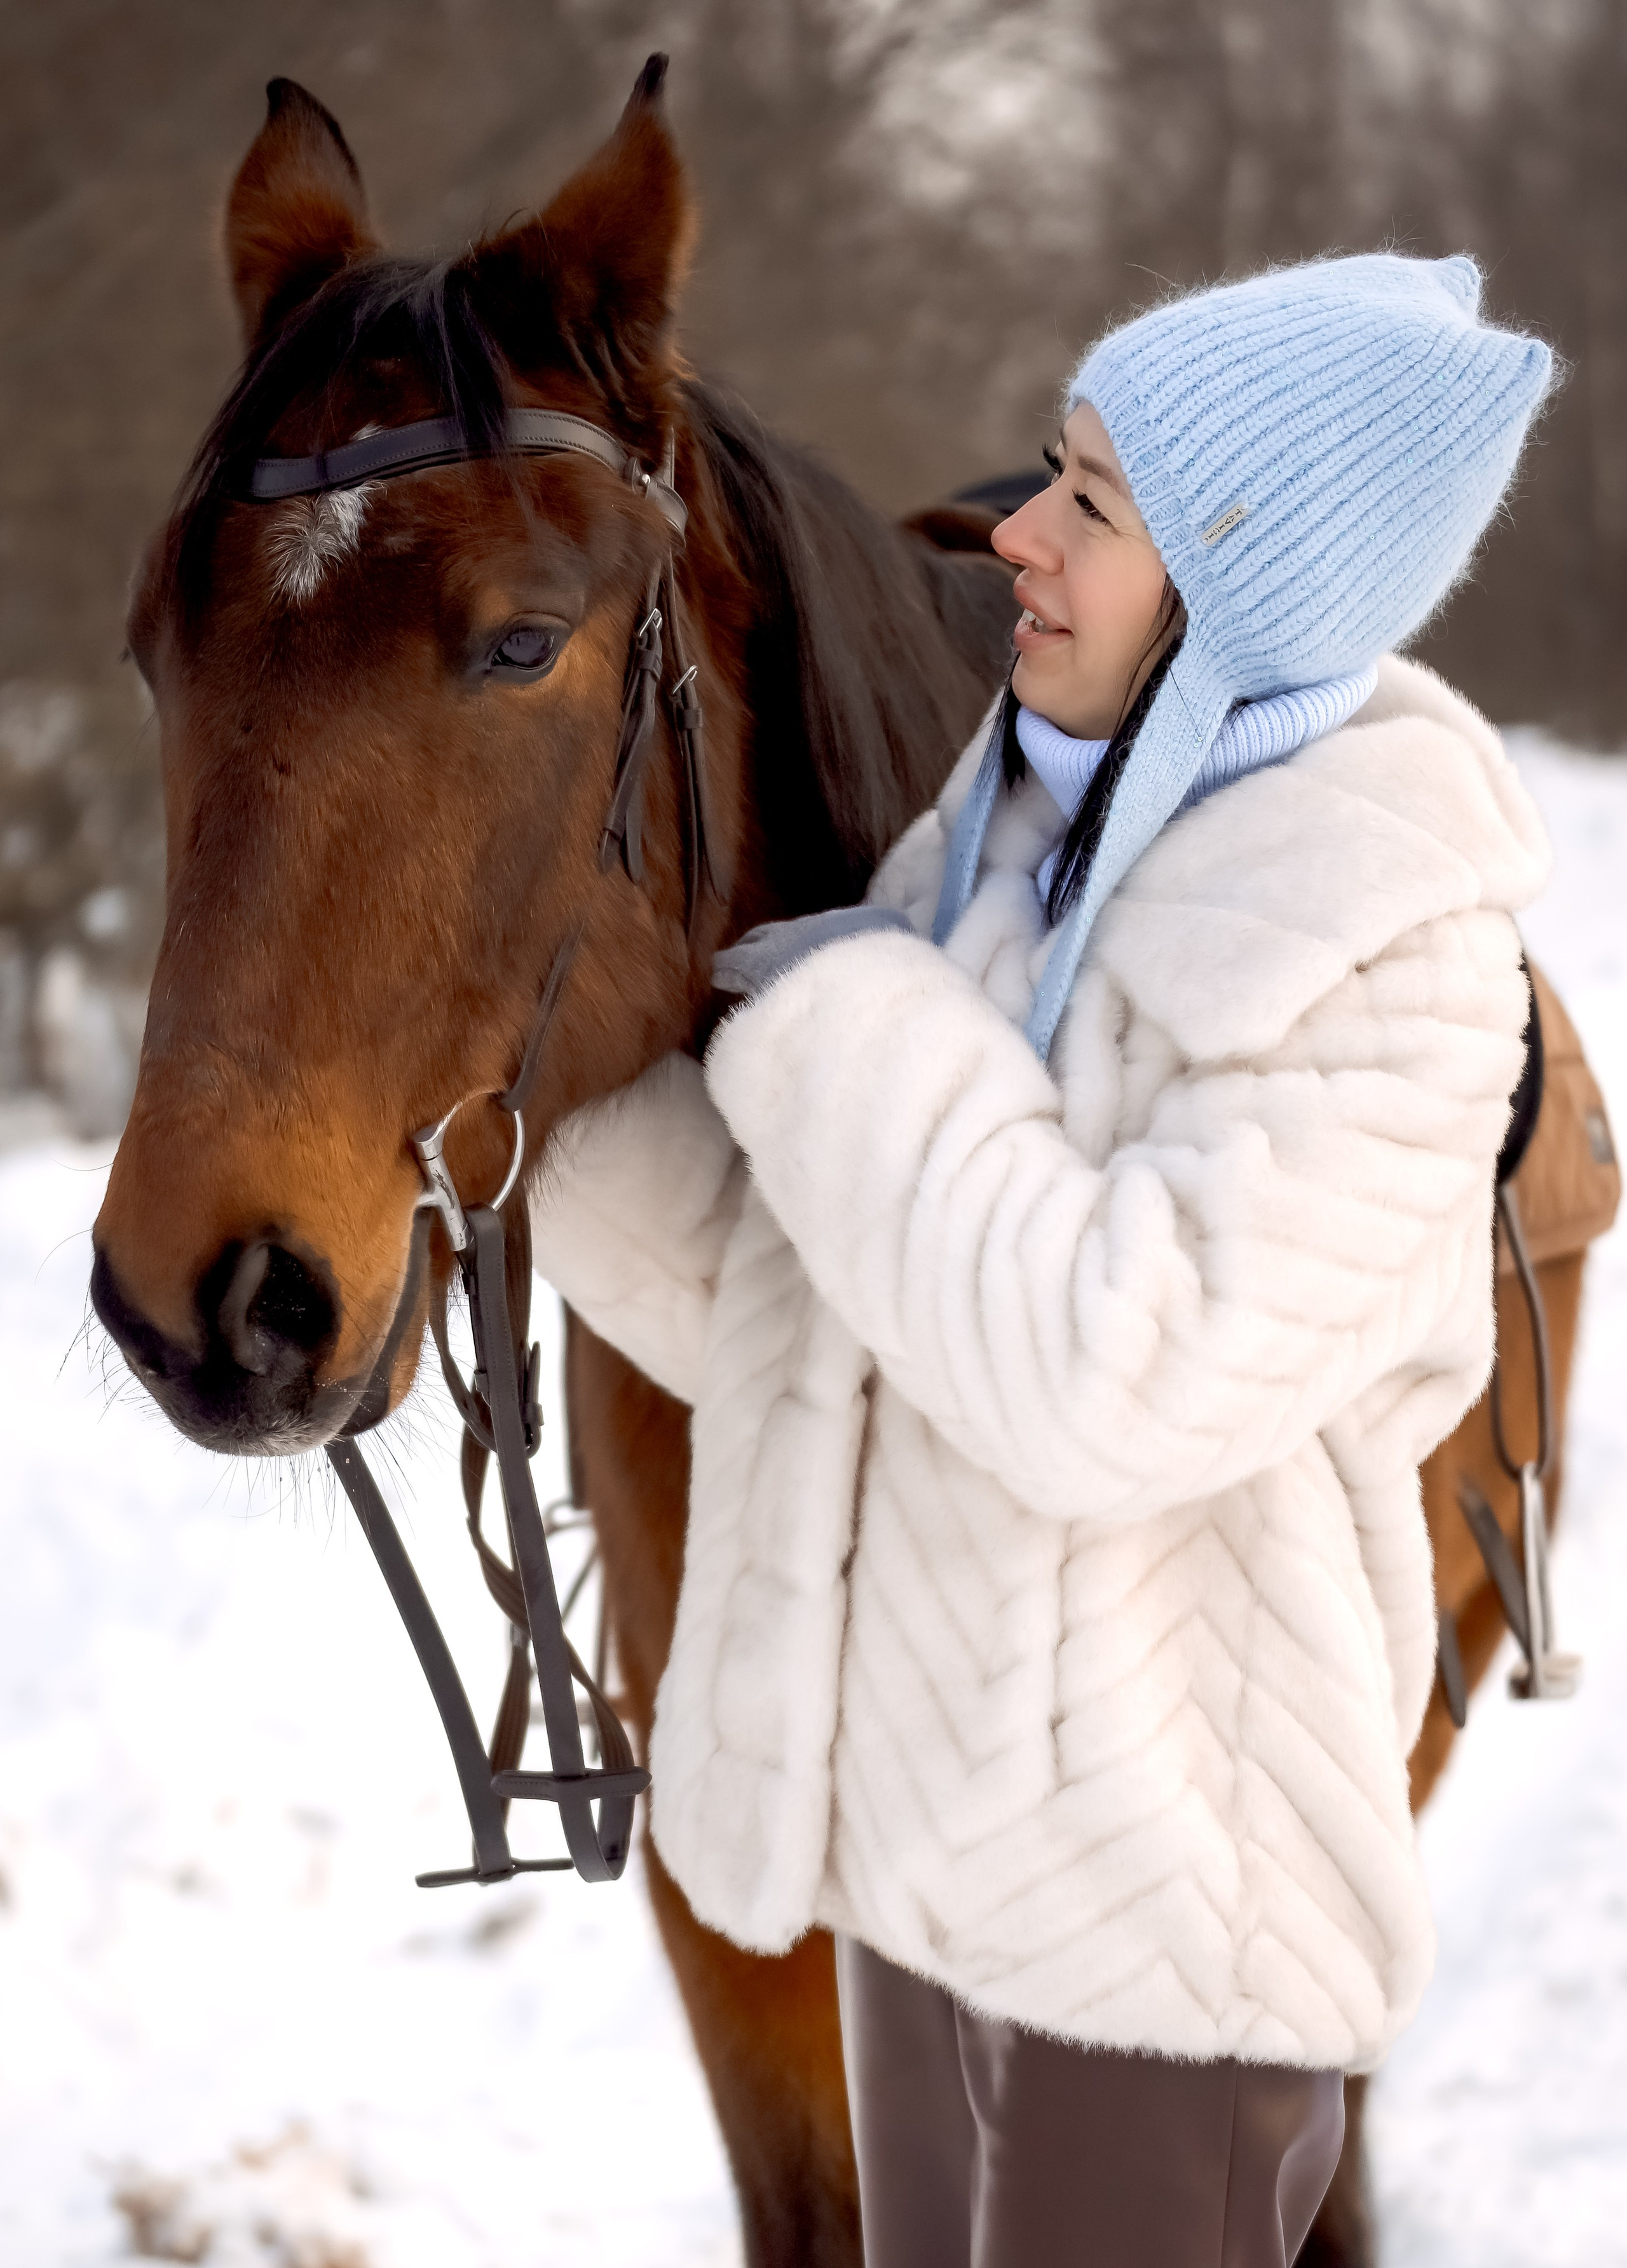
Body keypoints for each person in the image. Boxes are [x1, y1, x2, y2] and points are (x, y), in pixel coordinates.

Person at [532, 254, 1553, 2264]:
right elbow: (843, 1302)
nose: (1017, 529)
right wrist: (530, 1116)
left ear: (1240, 579)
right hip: (932, 1897)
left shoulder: (1396, 955)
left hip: (1165, 1962)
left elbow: (1110, 1371)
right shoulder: (1006, 849)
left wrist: (844, 1026)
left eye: (1090, 499)